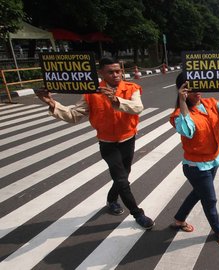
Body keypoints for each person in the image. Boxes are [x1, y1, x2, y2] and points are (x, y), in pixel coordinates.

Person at [35, 57, 155, 230]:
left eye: (118, 71)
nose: (115, 75)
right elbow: (74, 115)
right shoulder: (92, 93)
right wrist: (51, 102)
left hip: (128, 140)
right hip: (107, 143)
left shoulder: (131, 88)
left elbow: (137, 107)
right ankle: (138, 214)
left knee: (123, 174)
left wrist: (115, 100)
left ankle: (111, 200)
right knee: (122, 180)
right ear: (100, 73)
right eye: (110, 72)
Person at [168, 73, 219, 248]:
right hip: (196, 167)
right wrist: (182, 102)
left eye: (198, 86)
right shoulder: (177, 115)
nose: (197, 91)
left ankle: (179, 219)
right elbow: (187, 129)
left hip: (212, 160)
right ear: (182, 90)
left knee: (199, 192)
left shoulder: (210, 103)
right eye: (191, 88)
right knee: (209, 199)